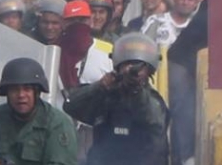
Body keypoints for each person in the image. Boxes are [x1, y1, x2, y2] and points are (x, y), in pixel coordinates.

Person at [62, 33, 169, 165]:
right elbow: (70, 106)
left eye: (138, 66)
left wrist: (136, 90)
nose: (132, 71)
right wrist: (99, 86)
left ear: (149, 71)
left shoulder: (154, 101)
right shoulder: (106, 95)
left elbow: (153, 117)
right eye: (127, 64)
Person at [0, 58, 78, 165]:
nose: (21, 95)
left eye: (27, 89)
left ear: (37, 92)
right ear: (7, 93)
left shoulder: (57, 124)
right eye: (14, 89)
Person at [141, 0, 206, 48]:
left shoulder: (197, 26)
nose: (185, 3)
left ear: (195, 3)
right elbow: (143, 48)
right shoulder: (155, 22)